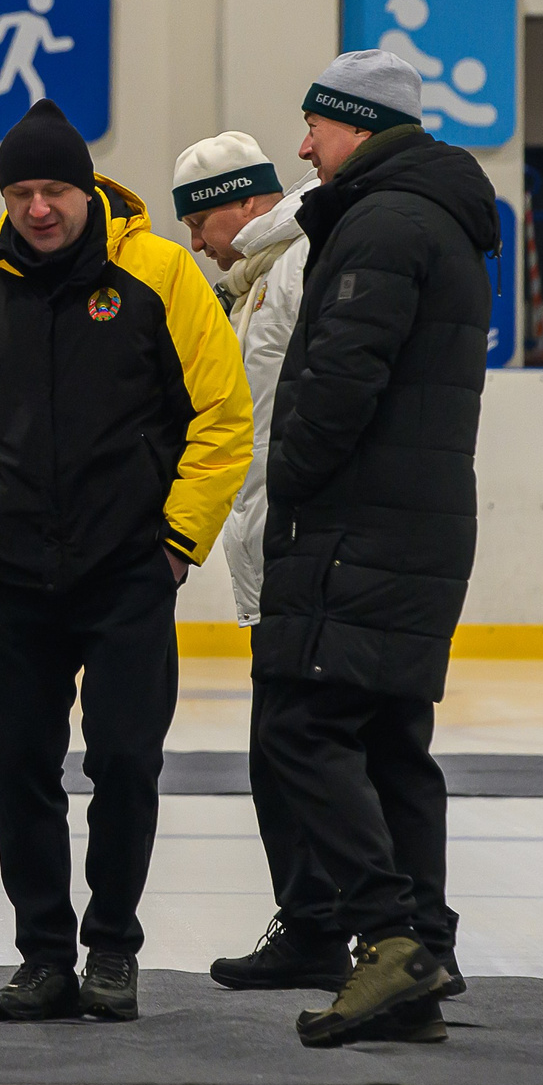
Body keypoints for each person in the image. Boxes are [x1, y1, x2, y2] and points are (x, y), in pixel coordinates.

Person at [0, 98, 254, 1024]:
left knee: (125, 759)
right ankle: (43, 955)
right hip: (4, 578)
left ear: (88, 191)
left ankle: (111, 946)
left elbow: (224, 416)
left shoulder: (158, 273)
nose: (39, 208)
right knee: (20, 769)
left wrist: (173, 543)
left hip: (125, 572)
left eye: (55, 189)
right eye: (21, 190)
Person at [252, 50, 498, 1049]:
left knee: (301, 730)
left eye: (316, 125)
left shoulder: (383, 223)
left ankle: (389, 937)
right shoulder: (427, 216)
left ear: (358, 126)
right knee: (393, 742)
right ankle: (420, 959)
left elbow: (338, 385)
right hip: (414, 520)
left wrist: (291, 482)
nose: (303, 145)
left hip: (360, 522)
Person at [175, 132, 347, 995]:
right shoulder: (253, 283)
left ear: (243, 204)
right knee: (284, 748)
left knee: (295, 746)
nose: (198, 241)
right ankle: (320, 919)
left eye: (202, 219)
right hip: (274, 547)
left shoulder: (297, 267)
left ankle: (329, 924)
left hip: (303, 548)